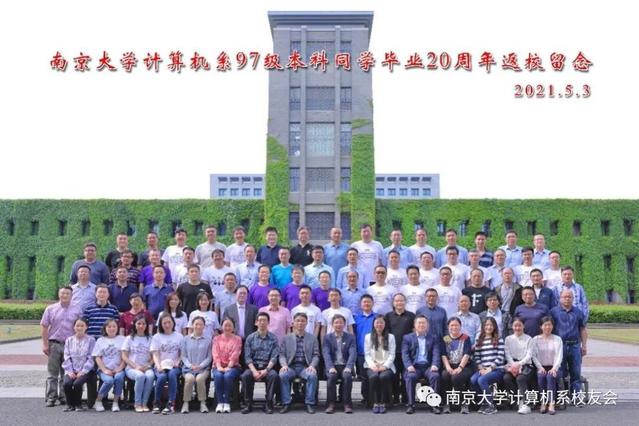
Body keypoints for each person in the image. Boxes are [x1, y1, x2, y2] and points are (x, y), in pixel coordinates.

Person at [40, 286, 82, 407]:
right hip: (54, 344)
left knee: (67, 373)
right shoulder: (50, 309)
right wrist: (45, 344)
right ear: (59, 294)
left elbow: (80, 327)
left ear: (72, 296)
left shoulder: (77, 310)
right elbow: (44, 326)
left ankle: (64, 397)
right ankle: (51, 397)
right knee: (52, 374)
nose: (65, 295)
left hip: (70, 345)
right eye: (62, 293)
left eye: (67, 294)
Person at [279, 312, 321, 414]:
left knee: (312, 376)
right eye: (297, 321)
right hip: (291, 366)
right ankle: (286, 403)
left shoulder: (312, 338)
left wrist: (312, 366)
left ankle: (309, 403)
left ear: (306, 323)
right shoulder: (286, 338)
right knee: (283, 375)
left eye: (303, 321)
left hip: (305, 367)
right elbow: (282, 354)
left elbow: (316, 355)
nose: (300, 323)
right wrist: (284, 365)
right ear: (293, 323)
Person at [550, 289, 588, 399]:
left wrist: (584, 345)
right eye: (564, 297)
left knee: (575, 372)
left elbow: (582, 329)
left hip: (574, 346)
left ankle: (575, 397)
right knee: (560, 372)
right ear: (560, 298)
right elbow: (549, 329)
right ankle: (561, 396)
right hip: (559, 346)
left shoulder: (578, 312)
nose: (567, 299)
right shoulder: (553, 312)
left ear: (573, 298)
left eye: (569, 297)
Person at [241, 312, 280, 414]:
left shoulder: (273, 338)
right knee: (245, 376)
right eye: (260, 320)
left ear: (268, 323)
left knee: (273, 376)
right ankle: (248, 404)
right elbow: (247, 357)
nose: (262, 322)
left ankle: (268, 403)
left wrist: (266, 370)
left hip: (268, 367)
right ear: (256, 322)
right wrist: (254, 371)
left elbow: (274, 358)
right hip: (253, 367)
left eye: (265, 320)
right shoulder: (250, 338)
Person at [402, 315, 441, 414]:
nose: (421, 325)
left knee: (435, 376)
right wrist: (409, 365)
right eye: (419, 323)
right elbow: (405, 354)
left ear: (427, 325)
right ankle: (411, 404)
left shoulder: (433, 338)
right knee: (410, 377)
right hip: (414, 367)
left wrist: (435, 364)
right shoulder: (407, 338)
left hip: (428, 366)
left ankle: (434, 404)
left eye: (424, 323)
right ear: (415, 325)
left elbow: (436, 353)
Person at [470, 317, 505, 415]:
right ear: (483, 326)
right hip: (484, 368)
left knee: (482, 380)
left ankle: (491, 405)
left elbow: (500, 356)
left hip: (497, 369)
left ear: (494, 327)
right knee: (473, 379)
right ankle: (484, 403)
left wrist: (490, 368)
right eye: (486, 325)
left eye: (491, 325)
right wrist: (481, 368)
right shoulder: (479, 339)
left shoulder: (499, 338)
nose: (488, 327)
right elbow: (477, 356)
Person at [323, 314, 357, 414]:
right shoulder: (327, 337)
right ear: (332, 324)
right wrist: (330, 367)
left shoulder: (350, 337)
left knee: (347, 377)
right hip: (333, 365)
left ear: (344, 324)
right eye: (336, 323)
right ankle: (330, 404)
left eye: (341, 323)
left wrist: (349, 367)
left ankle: (347, 404)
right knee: (331, 377)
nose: (338, 325)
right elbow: (326, 353)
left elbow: (353, 353)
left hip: (345, 365)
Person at [384, 293, 415, 405]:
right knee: (395, 375)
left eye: (401, 300)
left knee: (406, 375)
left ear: (405, 302)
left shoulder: (411, 316)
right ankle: (396, 397)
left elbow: (414, 332)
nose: (399, 303)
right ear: (393, 303)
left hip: (407, 351)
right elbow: (386, 333)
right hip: (393, 351)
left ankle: (406, 398)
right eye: (397, 301)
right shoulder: (388, 316)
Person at [151, 313, 183, 414]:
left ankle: (171, 403)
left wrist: (177, 362)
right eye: (164, 323)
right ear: (161, 324)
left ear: (173, 323)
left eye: (169, 322)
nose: (167, 325)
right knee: (162, 377)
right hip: (161, 365)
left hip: (174, 365)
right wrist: (158, 366)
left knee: (172, 374)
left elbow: (182, 353)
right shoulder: (156, 337)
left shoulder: (179, 336)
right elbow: (155, 354)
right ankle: (157, 403)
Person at [121, 315, 154, 412]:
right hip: (131, 368)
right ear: (134, 325)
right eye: (139, 323)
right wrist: (135, 366)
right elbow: (124, 356)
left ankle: (144, 403)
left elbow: (154, 356)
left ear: (146, 325)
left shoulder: (150, 338)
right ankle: (137, 403)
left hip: (146, 367)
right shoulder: (129, 338)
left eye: (143, 324)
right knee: (140, 376)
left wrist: (147, 366)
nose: (141, 326)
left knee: (150, 376)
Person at [440, 317, 473, 414]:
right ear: (448, 327)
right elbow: (443, 355)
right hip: (450, 365)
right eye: (452, 325)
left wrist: (460, 367)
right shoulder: (446, 338)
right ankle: (447, 403)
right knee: (445, 375)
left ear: (460, 326)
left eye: (456, 325)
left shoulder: (465, 338)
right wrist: (448, 367)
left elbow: (467, 354)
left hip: (464, 366)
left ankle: (463, 403)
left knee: (456, 377)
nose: (454, 327)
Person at [62, 318, 96, 412]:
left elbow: (91, 357)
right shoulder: (69, 340)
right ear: (74, 327)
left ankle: (78, 404)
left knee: (77, 383)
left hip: (86, 370)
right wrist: (70, 371)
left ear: (86, 327)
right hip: (71, 369)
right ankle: (69, 404)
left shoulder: (91, 340)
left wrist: (83, 371)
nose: (79, 328)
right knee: (67, 383)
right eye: (77, 325)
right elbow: (66, 356)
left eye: (82, 326)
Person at [92, 319, 126, 412]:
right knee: (109, 381)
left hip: (118, 368)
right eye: (109, 327)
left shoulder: (122, 339)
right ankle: (98, 400)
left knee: (119, 378)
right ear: (105, 328)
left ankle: (115, 402)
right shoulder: (100, 340)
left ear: (117, 328)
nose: (112, 329)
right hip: (104, 369)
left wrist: (120, 368)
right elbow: (97, 357)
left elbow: (125, 356)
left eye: (114, 326)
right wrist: (104, 370)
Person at [180, 316, 213, 414]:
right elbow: (183, 356)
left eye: (201, 324)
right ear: (192, 325)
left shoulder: (208, 340)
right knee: (189, 379)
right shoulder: (185, 339)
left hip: (203, 369)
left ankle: (202, 403)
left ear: (204, 326)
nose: (198, 326)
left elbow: (209, 357)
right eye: (196, 324)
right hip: (188, 368)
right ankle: (186, 403)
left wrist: (200, 366)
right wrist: (190, 365)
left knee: (200, 379)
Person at [503, 317, 535, 414]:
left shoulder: (529, 339)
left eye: (519, 325)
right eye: (515, 326)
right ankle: (516, 400)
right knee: (506, 378)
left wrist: (519, 364)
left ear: (523, 326)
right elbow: (507, 354)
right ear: (512, 327)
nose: (517, 328)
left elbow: (529, 355)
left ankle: (526, 404)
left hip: (526, 365)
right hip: (512, 364)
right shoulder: (508, 339)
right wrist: (513, 365)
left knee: (520, 378)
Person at [531, 316, 563, 415]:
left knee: (550, 376)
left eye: (550, 325)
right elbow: (533, 355)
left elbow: (559, 355)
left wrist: (554, 368)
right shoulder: (535, 339)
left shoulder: (557, 339)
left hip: (555, 367)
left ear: (553, 326)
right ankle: (543, 402)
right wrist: (540, 367)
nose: (547, 327)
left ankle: (551, 403)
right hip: (541, 367)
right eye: (545, 325)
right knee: (541, 376)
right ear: (541, 327)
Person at [365, 315, 396, 413]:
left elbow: (392, 354)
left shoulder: (391, 337)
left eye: (381, 322)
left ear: (385, 324)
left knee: (383, 377)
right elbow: (367, 354)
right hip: (372, 365)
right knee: (373, 377)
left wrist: (385, 366)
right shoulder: (368, 336)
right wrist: (372, 365)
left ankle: (383, 403)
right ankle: (374, 403)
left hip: (386, 366)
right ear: (373, 324)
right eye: (377, 322)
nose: (379, 324)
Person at [212, 317, 242, 413]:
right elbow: (215, 354)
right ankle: (220, 402)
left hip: (233, 366)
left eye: (230, 326)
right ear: (221, 327)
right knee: (218, 376)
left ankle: (227, 402)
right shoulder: (216, 339)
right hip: (218, 365)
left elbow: (235, 354)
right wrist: (219, 366)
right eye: (225, 325)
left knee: (227, 376)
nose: (227, 328)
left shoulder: (237, 339)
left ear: (233, 327)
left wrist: (229, 366)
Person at [353, 294, 376, 405]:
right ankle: (365, 397)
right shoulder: (356, 318)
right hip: (361, 351)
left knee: (373, 375)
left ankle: (373, 398)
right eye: (364, 302)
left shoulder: (377, 317)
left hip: (375, 352)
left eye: (368, 302)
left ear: (373, 303)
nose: (366, 304)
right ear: (360, 304)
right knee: (364, 376)